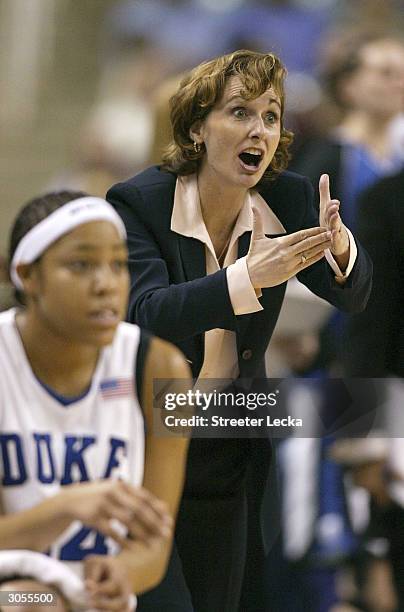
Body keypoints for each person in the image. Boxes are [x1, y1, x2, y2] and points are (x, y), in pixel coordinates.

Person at [107, 49, 373, 611]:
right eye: (239, 112)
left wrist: (340, 247)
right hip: (148, 430)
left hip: (231, 431)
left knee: (220, 600)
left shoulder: (290, 197)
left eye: (271, 116)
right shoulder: (141, 203)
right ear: (198, 129)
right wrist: (243, 278)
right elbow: (145, 313)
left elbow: (353, 295)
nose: (259, 129)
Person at [0, 191, 191, 611]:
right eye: (81, 264)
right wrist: (67, 508)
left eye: (118, 265)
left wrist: (123, 571)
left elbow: (154, 545)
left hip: (91, 594)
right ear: (27, 275)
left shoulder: (163, 368)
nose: (106, 284)